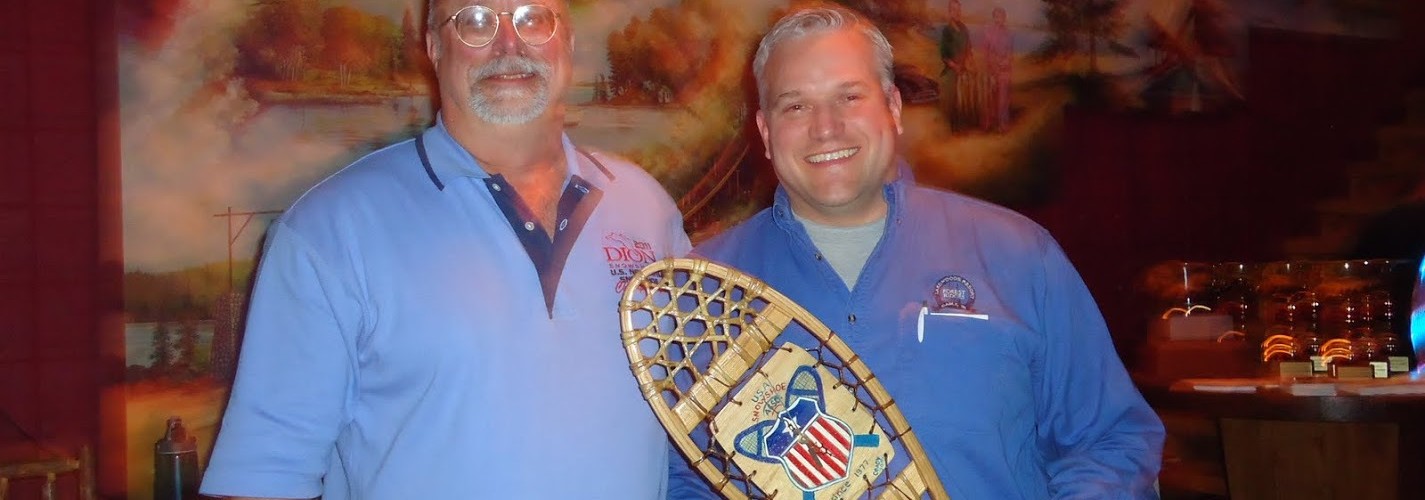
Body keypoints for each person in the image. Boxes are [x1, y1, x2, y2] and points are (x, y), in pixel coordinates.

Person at [200, 0, 691, 498]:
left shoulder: (647, 208)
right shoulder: (329, 230)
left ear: (567, 42)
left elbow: (696, 426)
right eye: (475, 21)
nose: (508, 44)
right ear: (434, 47)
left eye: (533, 18)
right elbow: (264, 476)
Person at [670, 6, 1164, 499]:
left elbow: (1110, 439)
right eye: (795, 105)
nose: (826, 127)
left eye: (850, 96)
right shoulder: (703, 295)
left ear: (894, 108)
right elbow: (683, 480)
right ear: (765, 132)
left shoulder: (1018, 254)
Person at [938, 0, 974, 129]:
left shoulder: (964, 28)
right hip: (951, 70)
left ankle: (964, 125)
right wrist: (955, 66)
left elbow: (969, 48)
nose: (957, 13)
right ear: (950, 12)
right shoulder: (946, 31)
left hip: (965, 69)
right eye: (954, 10)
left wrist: (969, 62)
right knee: (952, 99)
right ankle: (953, 127)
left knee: (965, 99)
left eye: (959, 10)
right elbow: (944, 55)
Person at [980, 6, 1013, 133]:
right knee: (990, 98)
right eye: (997, 16)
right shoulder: (988, 32)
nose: (999, 19)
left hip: (1004, 71)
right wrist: (992, 66)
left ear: (1004, 18)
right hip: (991, 70)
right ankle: (988, 123)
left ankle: (1003, 125)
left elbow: (1010, 53)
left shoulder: (1009, 34)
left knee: (1003, 99)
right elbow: (985, 52)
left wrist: (1005, 62)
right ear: (994, 18)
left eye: (1002, 16)